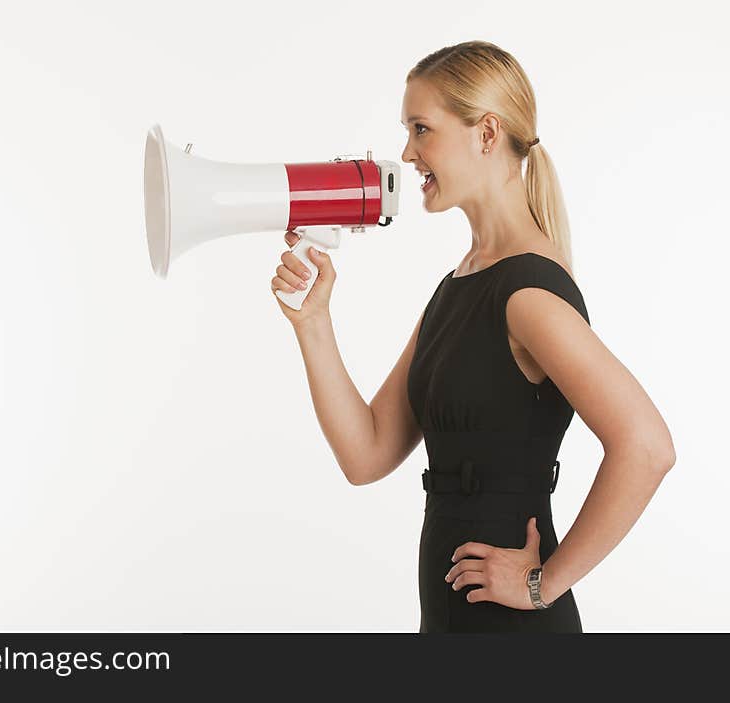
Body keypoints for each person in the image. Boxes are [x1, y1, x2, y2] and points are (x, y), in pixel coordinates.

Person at [271, 40, 676, 632]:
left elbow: (647, 446)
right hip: (452, 622)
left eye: (421, 129)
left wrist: (544, 585)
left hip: (513, 633)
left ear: (486, 134)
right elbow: (367, 454)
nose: (406, 154)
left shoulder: (527, 295)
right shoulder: (459, 287)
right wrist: (313, 322)